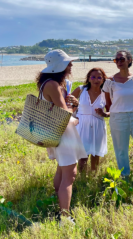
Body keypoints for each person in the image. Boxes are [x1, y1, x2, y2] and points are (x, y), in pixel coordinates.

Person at [36, 49, 87, 225]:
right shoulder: (53, 85)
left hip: (57, 131)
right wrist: (74, 109)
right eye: (68, 62)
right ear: (61, 66)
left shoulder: (51, 83)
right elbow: (64, 113)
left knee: (62, 168)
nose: (71, 65)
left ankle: (57, 199)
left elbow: (60, 107)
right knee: (70, 174)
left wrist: (72, 102)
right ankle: (64, 217)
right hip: (62, 132)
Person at [98, 50, 133, 177]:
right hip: (118, 118)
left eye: (121, 59)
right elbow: (108, 104)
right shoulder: (110, 81)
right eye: (116, 60)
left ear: (129, 60)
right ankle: (125, 177)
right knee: (121, 151)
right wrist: (110, 114)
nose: (118, 62)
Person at [71, 68, 108, 173]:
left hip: (98, 126)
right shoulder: (81, 89)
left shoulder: (105, 93)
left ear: (103, 80)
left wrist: (104, 113)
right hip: (82, 125)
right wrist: (74, 105)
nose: (96, 79)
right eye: (93, 77)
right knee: (83, 155)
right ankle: (82, 178)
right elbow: (68, 103)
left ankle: (93, 175)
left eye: (99, 77)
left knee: (95, 154)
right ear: (89, 78)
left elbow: (112, 110)